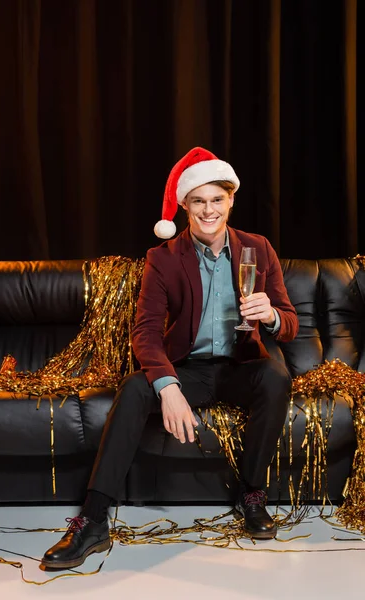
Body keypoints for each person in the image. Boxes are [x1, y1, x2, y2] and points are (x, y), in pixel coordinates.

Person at [41, 147, 299, 569]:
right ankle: (93, 520)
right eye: (199, 201)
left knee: (275, 376)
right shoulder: (162, 259)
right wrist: (168, 386)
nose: (209, 210)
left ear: (231, 200)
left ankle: (252, 494)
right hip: (189, 369)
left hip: (241, 367)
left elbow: (290, 323)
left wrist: (269, 314)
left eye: (217, 199)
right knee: (133, 388)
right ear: (185, 206)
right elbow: (144, 332)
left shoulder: (258, 249)